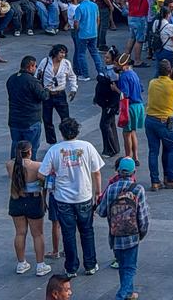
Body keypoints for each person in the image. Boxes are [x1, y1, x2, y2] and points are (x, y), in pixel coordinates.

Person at [39, 117, 104, 279]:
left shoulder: (54, 150)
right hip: (84, 196)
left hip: (63, 198)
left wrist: (53, 180)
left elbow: (41, 174)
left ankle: (71, 267)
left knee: (68, 234)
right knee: (87, 231)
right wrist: (98, 192)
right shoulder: (87, 147)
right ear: (77, 131)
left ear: (62, 133)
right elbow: (96, 171)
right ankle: (90, 264)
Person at [97, 157, 149, 300]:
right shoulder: (138, 189)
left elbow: (101, 211)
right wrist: (141, 233)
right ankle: (121, 296)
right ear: (134, 172)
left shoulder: (112, 188)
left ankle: (129, 293)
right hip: (132, 236)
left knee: (122, 266)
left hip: (115, 235)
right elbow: (143, 217)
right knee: (130, 267)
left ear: (118, 171)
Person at [7, 140, 51, 278]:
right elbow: (44, 181)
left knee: (20, 233)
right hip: (33, 200)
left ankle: (21, 263)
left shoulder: (9, 165)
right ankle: (40, 265)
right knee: (37, 234)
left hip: (16, 200)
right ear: (30, 152)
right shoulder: (37, 166)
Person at [145, 59, 173, 190]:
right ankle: (171, 178)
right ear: (169, 71)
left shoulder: (152, 83)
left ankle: (155, 181)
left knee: (153, 151)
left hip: (150, 119)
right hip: (164, 121)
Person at [8, 54, 50, 159]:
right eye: (35, 66)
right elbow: (43, 96)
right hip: (30, 120)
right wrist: (47, 89)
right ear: (30, 66)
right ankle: (29, 169)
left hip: (14, 120)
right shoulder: (32, 81)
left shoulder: (12, 78)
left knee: (16, 145)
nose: (35, 69)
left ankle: (15, 168)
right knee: (31, 147)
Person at [38, 44, 78, 146]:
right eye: (61, 52)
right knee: (47, 120)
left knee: (65, 119)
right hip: (47, 94)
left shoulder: (66, 64)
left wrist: (73, 89)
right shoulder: (45, 61)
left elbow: (72, 76)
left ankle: (68, 139)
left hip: (60, 94)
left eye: (64, 53)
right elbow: (37, 76)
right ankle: (52, 143)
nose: (63, 55)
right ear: (55, 52)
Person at [70, 0, 104, 81]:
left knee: (81, 54)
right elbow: (98, 19)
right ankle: (100, 72)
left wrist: (77, 30)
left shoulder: (79, 8)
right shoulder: (94, 5)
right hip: (93, 33)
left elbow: (76, 23)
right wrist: (95, 29)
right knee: (94, 52)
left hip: (82, 34)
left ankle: (85, 75)